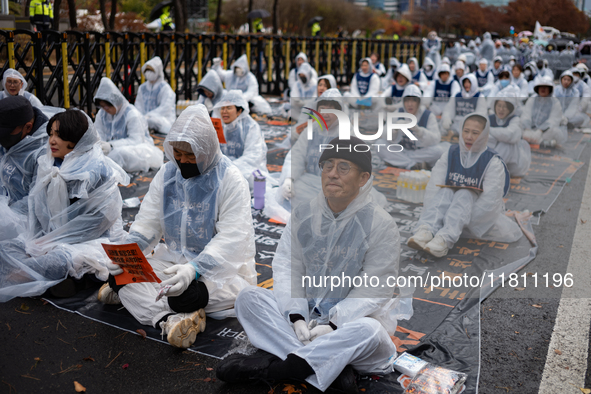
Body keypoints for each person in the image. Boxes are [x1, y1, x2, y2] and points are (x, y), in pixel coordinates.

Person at [217, 136, 412, 392]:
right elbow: (289, 267)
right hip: (306, 321)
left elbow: (374, 288)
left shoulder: (380, 224)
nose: (332, 174)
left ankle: (279, 368)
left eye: (344, 168)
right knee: (248, 298)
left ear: (363, 178)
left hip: (348, 328)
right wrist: (296, 315)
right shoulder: (304, 214)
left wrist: (334, 325)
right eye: (327, 165)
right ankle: (327, 369)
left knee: (370, 330)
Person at [98, 104, 257, 348]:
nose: (182, 160)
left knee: (188, 295)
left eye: (190, 155)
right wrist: (129, 253)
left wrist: (194, 269)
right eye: (178, 153)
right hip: (174, 261)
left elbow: (231, 239)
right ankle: (171, 319)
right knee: (119, 278)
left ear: (206, 149)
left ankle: (170, 307)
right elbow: (147, 223)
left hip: (221, 272)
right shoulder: (167, 174)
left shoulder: (230, 179)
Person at [0, 109, 129, 302]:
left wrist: (53, 242)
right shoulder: (48, 162)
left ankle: (54, 277)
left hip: (90, 241)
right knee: (7, 249)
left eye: (59, 135)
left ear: (78, 139)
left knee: (59, 260)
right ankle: (61, 280)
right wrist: (36, 240)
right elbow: (36, 206)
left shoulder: (96, 170)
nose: (52, 140)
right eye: (51, 133)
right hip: (51, 237)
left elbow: (99, 222)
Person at [407, 113, 521, 258]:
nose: (469, 137)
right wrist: (445, 216)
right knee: (445, 190)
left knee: (465, 193)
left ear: (484, 135)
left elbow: (489, 202)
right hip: (446, 214)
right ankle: (426, 229)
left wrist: (462, 222)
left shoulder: (492, 162)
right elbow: (433, 187)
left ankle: (444, 239)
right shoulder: (451, 153)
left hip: (474, 220)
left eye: (475, 133)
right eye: (466, 131)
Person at [279, 89, 387, 211]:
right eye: (322, 109)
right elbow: (297, 154)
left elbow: (357, 165)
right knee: (287, 194)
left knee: (361, 203)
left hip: (339, 184)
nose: (325, 114)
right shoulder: (312, 129)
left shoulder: (347, 132)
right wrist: (289, 178)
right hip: (311, 182)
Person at [0, 96, 49, 241]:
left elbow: (37, 202)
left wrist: (5, 216)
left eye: (5, 134)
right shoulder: (11, 137)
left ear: (28, 127)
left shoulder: (44, 151)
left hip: (25, 224)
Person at [93, 77, 164, 173]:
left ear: (115, 102)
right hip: (111, 150)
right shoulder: (102, 115)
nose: (105, 109)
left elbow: (136, 140)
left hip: (138, 149)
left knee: (119, 154)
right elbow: (98, 134)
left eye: (108, 106)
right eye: (102, 106)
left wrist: (111, 145)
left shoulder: (131, 114)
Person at [377, 85, 445, 170]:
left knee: (438, 151)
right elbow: (384, 134)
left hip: (419, 153)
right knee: (379, 144)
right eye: (407, 100)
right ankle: (413, 165)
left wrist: (420, 131)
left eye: (414, 100)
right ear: (403, 102)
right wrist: (394, 129)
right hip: (400, 151)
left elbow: (436, 138)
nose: (410, 104)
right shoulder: (398, 112)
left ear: (419, 102)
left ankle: (400, 162)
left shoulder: (428, 115)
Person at [212, 90, 268, 189]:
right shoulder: (217, 126)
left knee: (254, 182)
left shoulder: (250, 127)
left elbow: (253, 156)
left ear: (239, 111)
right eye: (222, 108)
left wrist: (229, 169)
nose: (224, 111)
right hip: (219, 170)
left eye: (229, 108)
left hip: (243, 169)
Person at [487, 92, 531, 177]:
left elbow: (511, 135)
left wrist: (489, 130)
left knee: (507, 144)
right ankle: (490, 168)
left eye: (505, 107)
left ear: (510, 109)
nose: (501, 109)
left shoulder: (515, 120)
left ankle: (491, 170)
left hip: (514, 164)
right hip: (496, 159)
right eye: (499, 106)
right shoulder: (490, 118)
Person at [135, 56, 176, 135]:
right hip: (145, 119)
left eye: (151, 70)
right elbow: (138, 105)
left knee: (153, 121)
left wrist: (149, 116)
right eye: (147, 70)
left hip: (163, 120)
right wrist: (141, 116)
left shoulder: (165, 88)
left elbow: (165, 108)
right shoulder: (142, 88)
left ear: (158, 71)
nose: (149, 73)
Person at [522, 76, 567, 146]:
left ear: (550, 89)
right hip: (530, 129)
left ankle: (538, 141)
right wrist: (527, 129)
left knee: (556, 132)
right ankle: (543, 143)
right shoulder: (532, 99)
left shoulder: (555, 102)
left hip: (544, 132)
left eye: (546, 87)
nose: (543, 89)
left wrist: (540, 130)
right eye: (541, 87)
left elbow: (553, 120)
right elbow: (526, 115)